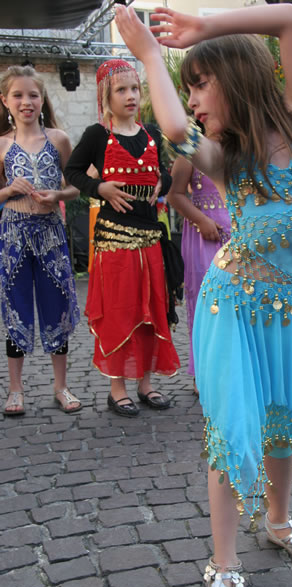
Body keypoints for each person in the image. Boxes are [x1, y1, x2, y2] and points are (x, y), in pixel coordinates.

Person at [116, 5, 292, 587]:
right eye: (188, 89)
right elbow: (173, 128)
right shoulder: (226, 159)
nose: (193, 101)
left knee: (282, 422)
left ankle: (279, 522)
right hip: (231, 309)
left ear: (236, 78)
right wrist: (152, 56)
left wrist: (203, 27)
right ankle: (224, 567)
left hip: (284, 311)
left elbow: (288, 20)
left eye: (201, 84)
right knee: (233, 433)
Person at [64, 59, 180, 417]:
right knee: (120, 311)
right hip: (114, 240)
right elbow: (72, 171)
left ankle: (145, 384)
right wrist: (100, 188)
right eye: (121, 90)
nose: (130, 96)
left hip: (150, 238)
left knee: (152, 309)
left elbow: (164, 174)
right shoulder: (97, 135)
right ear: (106, 96)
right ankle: (117, 389)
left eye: (134, 89)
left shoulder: (152, 133)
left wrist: (162, 180)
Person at [0, 65, 81, 416]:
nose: (26, 102)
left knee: (56, 307)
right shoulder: (2, 144)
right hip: (13, 235)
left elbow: (77, 186)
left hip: (50, 233)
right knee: (16, 309)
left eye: (33, 95)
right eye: (18, 95)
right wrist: (8, 191)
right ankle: (15, 389)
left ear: (42, 98)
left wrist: (59, 195)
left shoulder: (58, 140)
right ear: (5, 100)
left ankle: (61, 386)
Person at [167, 157, 230, 392]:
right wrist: (201, 219)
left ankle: (235, 370)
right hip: (204, 235)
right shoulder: (189, 151)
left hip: (238, 232)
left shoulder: (242, 145)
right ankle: (203, 372)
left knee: (240, 304)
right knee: (206, 302)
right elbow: (174, 194)